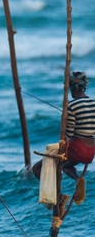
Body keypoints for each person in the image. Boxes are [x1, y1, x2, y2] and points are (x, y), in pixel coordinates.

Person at [32, 71, 95, 205]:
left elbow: (70, 134)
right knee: (66, 166)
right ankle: (77, 179)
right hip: (90, 152)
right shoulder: (94, 104)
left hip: (77, 150)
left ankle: (57, 196)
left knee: (37, 168)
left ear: (71, 88)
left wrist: (64, 122)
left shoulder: (71, 106)